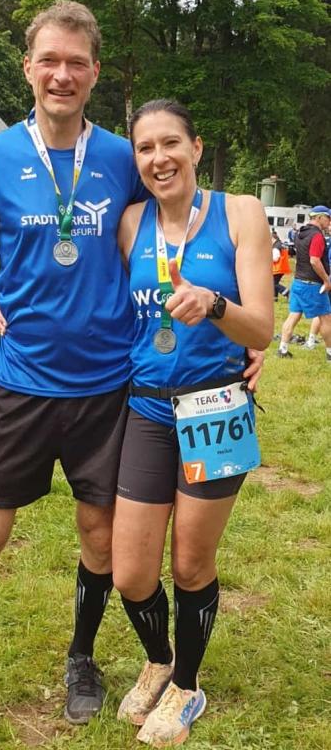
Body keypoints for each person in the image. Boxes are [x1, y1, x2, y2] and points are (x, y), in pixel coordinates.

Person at [0, 2, 263, 750]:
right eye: (49, 60)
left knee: (102, 538)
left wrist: (240, 333)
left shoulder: (125, 159)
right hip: (21, 384)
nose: (62, 74)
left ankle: (83, 659)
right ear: (27, 68)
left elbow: (180, 230)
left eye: (76, 62)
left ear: (95, 73)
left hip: (111, 390)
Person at [111, 99, 273, 746]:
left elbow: (261, 328)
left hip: (217, 407)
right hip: (147, 407)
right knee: (130, 572)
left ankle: (186, 684)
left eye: (171, 143)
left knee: (190, 563)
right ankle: (159, 659)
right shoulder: (130, 223)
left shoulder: (241, 213)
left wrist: (214, 303)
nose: (159, 158)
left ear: (197, 148)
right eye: (145, 148)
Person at [277, 205, 331, 362]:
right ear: (319, 217)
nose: (329, 222)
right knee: (326, 318)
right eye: (328, 218)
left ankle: (282, 349)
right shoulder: (317, 236)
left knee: (293, 315)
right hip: (312, 284)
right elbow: (314, 260)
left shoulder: (300, 232)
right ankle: (330, 353)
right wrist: (326, 280)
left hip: (298, 281)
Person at [271, 230, 290, 301]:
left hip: (278, 268)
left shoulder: (276, 247)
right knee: (275, 283)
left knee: (273, 283)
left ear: (272, 238)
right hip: (282, 267)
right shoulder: (281, 244)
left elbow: (275, 258)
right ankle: (274, 298)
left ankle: (287, 292)